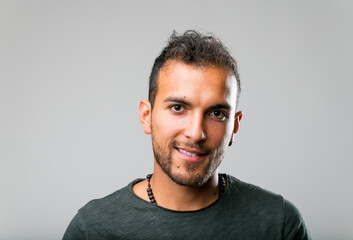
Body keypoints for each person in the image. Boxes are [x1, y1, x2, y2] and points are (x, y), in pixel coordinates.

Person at [63, 30, 312, 240]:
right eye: (178, 108)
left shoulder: (278, 224)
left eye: (216, 113)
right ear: (146, 116)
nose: (196, 133)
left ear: (234, 127)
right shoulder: (92, 229)